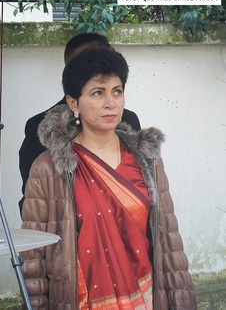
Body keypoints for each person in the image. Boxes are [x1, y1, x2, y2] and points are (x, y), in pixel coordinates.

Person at [20, 48, 196, 309]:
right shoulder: (48, 169)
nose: (110, 103)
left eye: (117, 91)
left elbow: (169, 240)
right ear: (73, 103)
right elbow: (33, 257)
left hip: (145, 298)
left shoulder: (147, 159)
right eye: (97, 93)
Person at [18, 34, 140, 214]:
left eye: (117, 92)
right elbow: (34, 203)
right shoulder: (41, 126)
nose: (98, 67)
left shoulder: (129, 121)